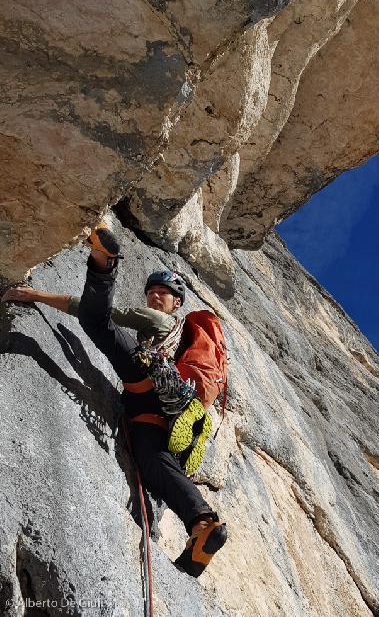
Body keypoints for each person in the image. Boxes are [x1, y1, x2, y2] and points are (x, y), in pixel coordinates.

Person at [1, 224, 227, 578]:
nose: (154, 297)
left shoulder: (160, 321)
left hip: (149, 382)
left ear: (177, 303)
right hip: (159, 414)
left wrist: (36, 296)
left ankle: (103, 262)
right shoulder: (181, 337)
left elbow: (91, 312)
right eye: (151, 292)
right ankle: (202, 525)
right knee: (155, 464)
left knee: (97, 322)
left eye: (163, 294)